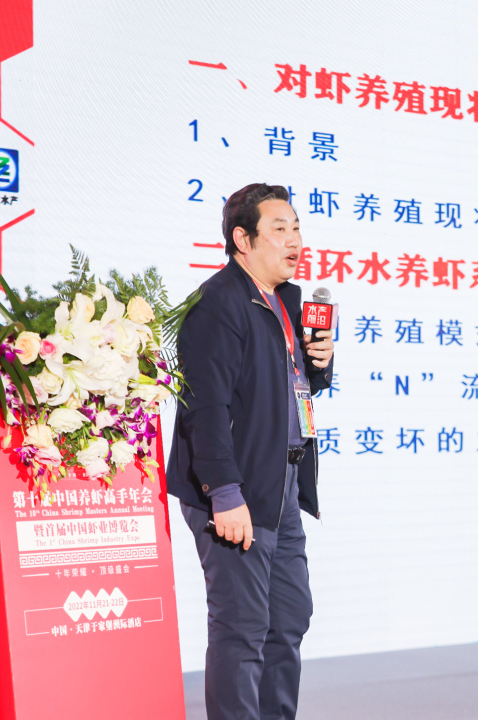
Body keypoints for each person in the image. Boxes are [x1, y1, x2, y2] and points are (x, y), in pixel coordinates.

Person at [167, 183, 335, 720]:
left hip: (280, 486)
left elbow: (290, 389)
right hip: (235, 490)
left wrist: (321, 364)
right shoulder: (218, 304)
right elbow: (206, 408)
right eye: (279, 229)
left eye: (297, 228)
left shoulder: (286, 301)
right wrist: (225, 492)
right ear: (243, 239)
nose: (295, 241)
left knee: (288, 620)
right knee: (242, 630)